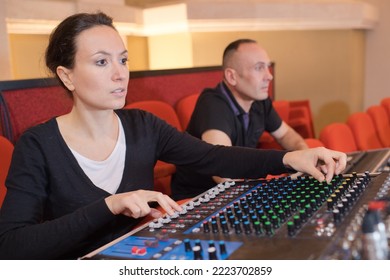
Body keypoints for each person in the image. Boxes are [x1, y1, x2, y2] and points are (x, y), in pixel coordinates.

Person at [0, 12, 346, 260]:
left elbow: (214, 157)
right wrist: (109, 205)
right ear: (68, 76)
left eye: (123, 60)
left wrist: (288, 158)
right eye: (102, 63)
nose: (120, 74)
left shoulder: (143, 126)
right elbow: (12, 245)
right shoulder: (37, 145)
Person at [171, 39, 309, 200]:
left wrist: (304, 160)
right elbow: (222, 171)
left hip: (238, 190)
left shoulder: (259, 100)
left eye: (268, 66)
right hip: (200, 198)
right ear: (231, 76)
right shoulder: (212, 104)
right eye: (259, 68)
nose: (269, 76)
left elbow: (287, 136)